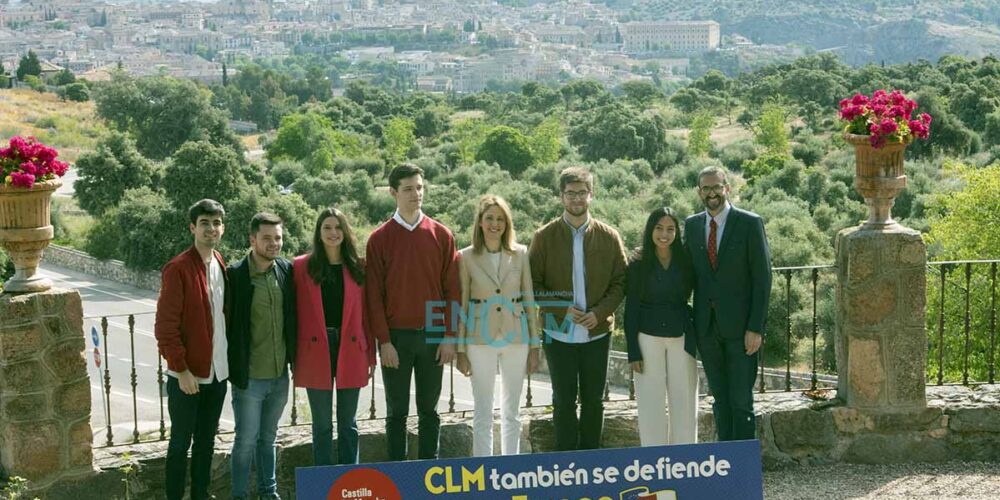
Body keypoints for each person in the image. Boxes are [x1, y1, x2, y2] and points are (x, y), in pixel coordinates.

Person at [528, 166, 628, 451]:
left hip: (596, 333)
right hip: (558, 332)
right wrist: (561, 308)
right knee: (562, 401)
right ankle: (566, 466)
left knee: (594, 401)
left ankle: (591, 463)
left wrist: (599, 312)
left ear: (591, 195)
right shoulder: (544, 236)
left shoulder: (610, 237)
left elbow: (621, 282)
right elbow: (532, 284)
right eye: (570, 193)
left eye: (582, 193)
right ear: (561, 196)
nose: (576, 199)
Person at [365, 163, 460, 461]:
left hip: (433, 336)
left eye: (419, 187)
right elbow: (373, 297)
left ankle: (427, 474)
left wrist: (449, 335)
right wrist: (384, 341)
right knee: (396, 412)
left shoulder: (442, 235)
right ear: (393, 193)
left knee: (430, 411)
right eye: (408, 189)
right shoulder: (379, 239)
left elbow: (453, 291)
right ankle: (398, 474)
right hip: (396, 339)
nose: (416, 194)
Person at [685, 166, 772, 441]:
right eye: (706, 188)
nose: (712, 193)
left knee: (741, 401)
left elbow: (762, 278)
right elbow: (685, 272)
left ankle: (743, 468)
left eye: (717, 187)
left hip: (742, 331)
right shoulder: (692, 225)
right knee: (719, 400)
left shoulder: (749, 223)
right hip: (706, 330)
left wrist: (755, 327)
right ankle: (725, 466)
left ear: (727, 188)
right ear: (700, 192)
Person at [155, 199, 230, 500]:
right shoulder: (178, 269)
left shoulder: (220, 263)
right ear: (192, 227)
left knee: (206, 442)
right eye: (204, 223)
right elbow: (165, 327)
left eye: (216, 223)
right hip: (187, 376)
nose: (211, 228)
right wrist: (182, 369)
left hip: (217, 373)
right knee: (179, 444)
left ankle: (201, 494)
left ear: (222, 228)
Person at [455, 195, 541, 456]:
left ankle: (510, 467)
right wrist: (461, 349)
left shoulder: (521, 253)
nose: (495, 224)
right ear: (480, 223)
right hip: (479, 339)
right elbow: (463, 304)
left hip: (516, 337)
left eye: (500, 219)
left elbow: (529, 299)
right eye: (489, 218)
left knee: (512, 411)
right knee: (482, 410)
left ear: (507, 223)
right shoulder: (466, 257)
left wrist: (535, 344)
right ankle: (484, 470)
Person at [293, 207, 375, 466]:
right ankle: (324, 482)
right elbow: (292, 313)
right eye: (327, 227)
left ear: (346, 232)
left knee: (348, 424)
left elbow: (368, 317)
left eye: (338, 227)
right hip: (314, 350)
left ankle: (351, 480)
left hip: (351, 349)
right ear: (318, 232)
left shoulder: (359, 267)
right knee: (321, 424)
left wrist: (370, 356)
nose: (333, 233)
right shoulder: (300, 267)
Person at [226, 213, 297, 500]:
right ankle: (239, 496)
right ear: (252, 239)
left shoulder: (285, 271)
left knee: (268, 439)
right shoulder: (236, 275)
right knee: (245, 441)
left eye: (278, 237)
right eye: (266, 238)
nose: (273, 243)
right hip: (250, 379)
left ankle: (269, 493)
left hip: (280, 377)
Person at [624, 207, 698, 446]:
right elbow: (631, 307)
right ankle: (654, 462)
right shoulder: (637, 263)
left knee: (685, 402)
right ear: (650, 230)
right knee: (650, 403)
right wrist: (633, 351)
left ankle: (685, 460)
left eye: (670, 229)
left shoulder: (686, 261)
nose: (664, 234)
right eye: (659, 228)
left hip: (681, 336)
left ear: (677, 232)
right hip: (647, 338)